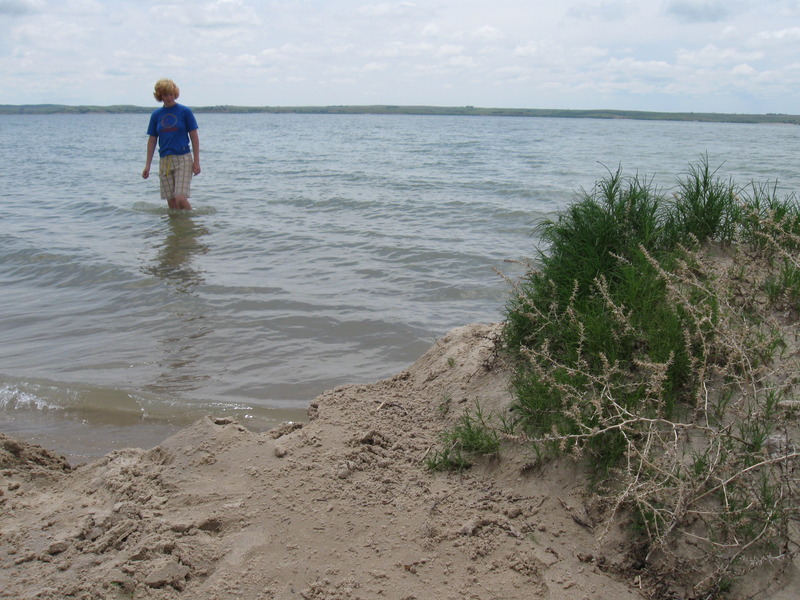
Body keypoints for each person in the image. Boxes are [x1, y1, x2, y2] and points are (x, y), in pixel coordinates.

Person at [142, 79, 201, 210]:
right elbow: (152, 140)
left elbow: (194, 137)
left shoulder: (185, 112)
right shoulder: (156, 115)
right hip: (165, 160)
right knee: (172, 203)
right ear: (160, 96)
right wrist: (147, 165)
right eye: (165, 95)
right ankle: (176, 223)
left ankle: (191, 221)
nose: (169, 98)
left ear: (175, 94)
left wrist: (196, 162)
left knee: (180, 198)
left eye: (171, 94)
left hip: (183, 158)